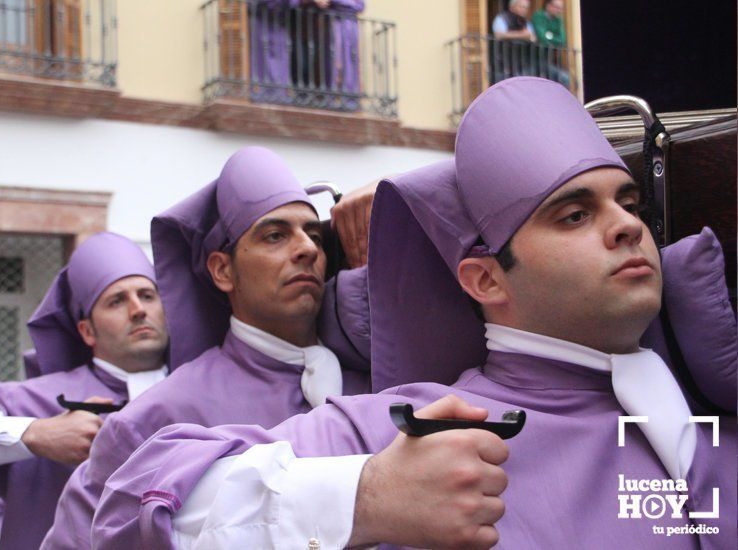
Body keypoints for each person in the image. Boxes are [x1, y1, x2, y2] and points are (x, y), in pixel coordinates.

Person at [93, 78, 735, 549]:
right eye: (574, 214)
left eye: (630, 204)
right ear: (484, 278)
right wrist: (364, 496)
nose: (626, 226)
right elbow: (120, 510)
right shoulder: (413, 432)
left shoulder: (714, 424)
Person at [44, 146, 371, 548]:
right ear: (222, 270)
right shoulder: (151, 420)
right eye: (274, 235)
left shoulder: (379, 382)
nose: (306, 249)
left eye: (314, 234)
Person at [0, 232, 170, 549]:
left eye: (147, 295)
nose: (138, 310)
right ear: (87, 330)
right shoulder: (34, 401)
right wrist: (35, 433)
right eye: (116, 301)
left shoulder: (206, 385)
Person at [531, 0, 570, 86]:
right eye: (557, 8)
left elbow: (562, 40)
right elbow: (542, 38)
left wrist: (549, 36)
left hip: (550, 60)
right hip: (535, 59)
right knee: (564, 78)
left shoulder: (558, 20)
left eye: (561, 9)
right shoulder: (539, 16)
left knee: (566, 79)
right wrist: (551, 38)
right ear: (548, 6)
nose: (559, 11)